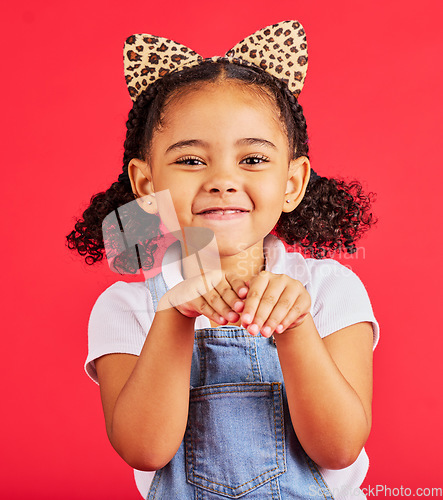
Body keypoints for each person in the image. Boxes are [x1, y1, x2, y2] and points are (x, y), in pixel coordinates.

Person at [66, 20, 380, 499]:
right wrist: (174, 314)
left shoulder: (329, 289)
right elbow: (144, 449)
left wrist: (295, 326)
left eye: (252, 159)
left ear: (292, 183)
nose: (222, 180)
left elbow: (338, 448)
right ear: (147, 184)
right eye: (191, 160)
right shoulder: (126, 307)